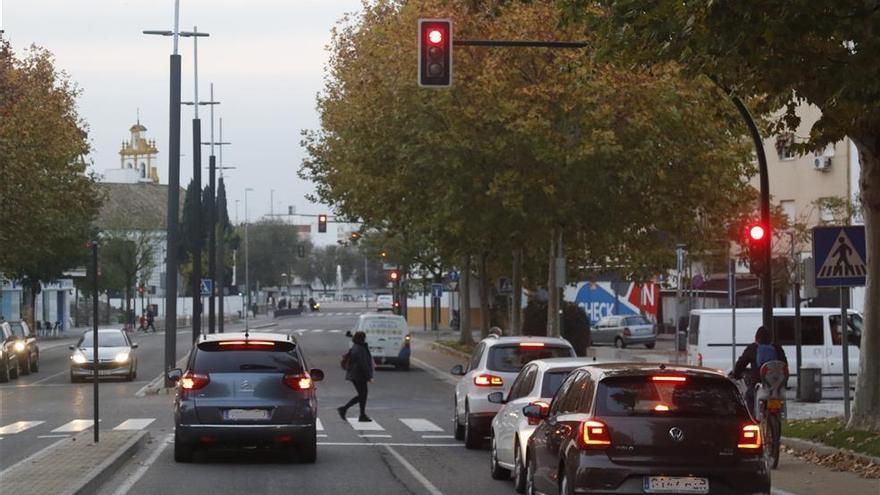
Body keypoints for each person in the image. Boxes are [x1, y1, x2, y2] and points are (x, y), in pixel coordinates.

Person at [732, 326, 788, 413]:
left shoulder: (752, 348)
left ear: (756, 338)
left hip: (759, 385)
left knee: (748, 396)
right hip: (777, 385)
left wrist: (735, 374)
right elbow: (784, 365)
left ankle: (752, 420)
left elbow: (741, 364)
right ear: (770, 338)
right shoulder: (777, 348)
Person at [338, 331, 374, 422]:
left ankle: (361, 414)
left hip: (356, 374)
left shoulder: (358, 346)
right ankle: (344, 409)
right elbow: (363, 364)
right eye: (364, 338)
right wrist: (369, 376)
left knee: (363, 395)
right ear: (361, 338)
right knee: (362, 395)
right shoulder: (359, 348)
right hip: (358, 375)